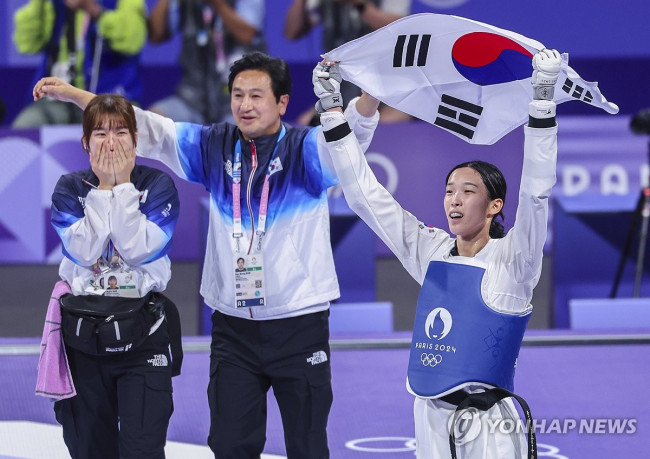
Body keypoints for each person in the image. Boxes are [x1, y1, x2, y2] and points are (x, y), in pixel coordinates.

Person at [33, 52, 380, 457]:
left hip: (299, 324)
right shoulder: (213, 145)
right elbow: (147, 129)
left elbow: (347, 142)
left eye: (256, 95)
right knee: (231, 445)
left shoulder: (306, 150)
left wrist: (372, 97)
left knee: (307, 443)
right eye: (237, 95)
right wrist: (78, 96)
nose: (245, 105)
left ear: (282, 102)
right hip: (233, 329)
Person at [316, 49, 562, 457]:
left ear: (495, 205)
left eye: (468, 192)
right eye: (449, 191)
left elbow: (536, 191)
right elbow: (366, 197)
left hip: (490, 424)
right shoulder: (432, 252)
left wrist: (541, 100)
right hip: (429, 415)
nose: (454, 200)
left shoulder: (516, 259)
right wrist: (331, 111)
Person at [48, 93, 182, 458]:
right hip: (83, 341)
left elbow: (139, 250)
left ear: (136, 140)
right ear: (85, 143)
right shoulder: (69, 189)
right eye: (100, 134)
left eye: (121, 133)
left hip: (144, 337)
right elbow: (83, 251)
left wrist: (122, 185)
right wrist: (104, 188)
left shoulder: (158, 186)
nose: (111, 143)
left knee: (143, 449)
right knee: (89, 450)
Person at [12, 0, 146, 128]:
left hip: (108, 97)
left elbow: (132, 41)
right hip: (57, 98)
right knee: (26, 125)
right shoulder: (53, 3)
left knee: (119, 130)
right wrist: (39, 3)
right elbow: (27, 44)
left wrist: (94, 11)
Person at [284, 0, 411, 125]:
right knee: (307, 123)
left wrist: (360, 5)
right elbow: (292, 32)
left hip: (388, 90)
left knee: (383, 124)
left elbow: (400, 29)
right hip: (342, 89)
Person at [147, 0, 266, 124]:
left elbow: (247, 35)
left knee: (239, 133)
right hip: (192, 99)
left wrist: (217, 4)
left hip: (239, 101)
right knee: (151, 123)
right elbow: (156, 35)